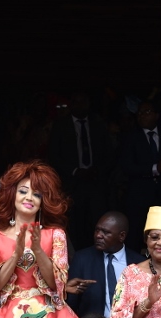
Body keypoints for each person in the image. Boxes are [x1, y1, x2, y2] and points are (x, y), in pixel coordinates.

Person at [0, 160, 79, 318]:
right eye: (23, 191)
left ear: (43, 201)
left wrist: (38, 250)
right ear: (12, 195)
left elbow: (57, 284)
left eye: (37, 194)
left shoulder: (56, 234)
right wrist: (15, 255)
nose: (29, 197)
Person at [48, 90, 115, 249]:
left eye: (83, 101)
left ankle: (97, 254)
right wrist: (75, 171)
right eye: (76, 102)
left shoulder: (98, 124)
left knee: (96, 220)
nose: (79, 105)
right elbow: (54, 156)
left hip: (95, 182)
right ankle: (77, 256)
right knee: (74, 222)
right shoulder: (60, 125)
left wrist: (97, 171)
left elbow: (109, 154)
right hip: (71, 183)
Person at [119, 100, 161, 251]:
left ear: (156, 115)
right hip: (138, 198)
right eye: (139, 113)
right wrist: (156, 168)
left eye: (146, 112)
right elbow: (126, 167)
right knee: (136, 239)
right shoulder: (129, 138)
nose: (141, 116)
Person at [66, 211, 144, 318]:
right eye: (97, 230)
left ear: (121, 236)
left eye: (106, 232)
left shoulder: (139, 263)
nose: (98, 235)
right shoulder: (82, 259)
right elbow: (71, 304)